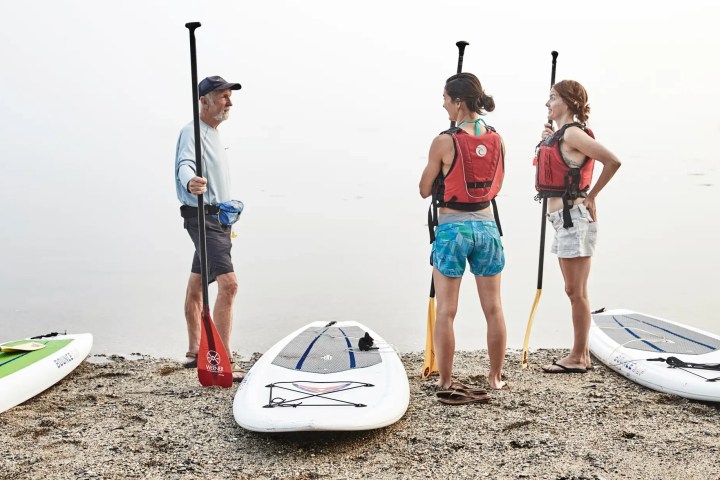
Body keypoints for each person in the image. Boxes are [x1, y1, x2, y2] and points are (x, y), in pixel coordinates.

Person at [419, 72, 507, 393]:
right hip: (487, 229)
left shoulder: (444, 140)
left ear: (458, 102)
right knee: (494, 307)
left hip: (452, 230)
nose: (442, 105)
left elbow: (424, 189)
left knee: (446, 310)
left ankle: (445, 380)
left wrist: (441, 175)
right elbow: (496, 184)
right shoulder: (498, 138)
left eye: (445, 99)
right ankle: (495, 378)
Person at [535, 79, 621, 373]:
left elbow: (612, 161)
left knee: (577, 291)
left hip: (575, 219)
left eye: (552, 97)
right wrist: (548, 140)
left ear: (568, 103)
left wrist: (592, 196)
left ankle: (579, 356)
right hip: (562, 221)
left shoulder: (573, 133)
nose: (547, 103)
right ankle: (579, 352)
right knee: (573, 290)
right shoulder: (561, 134)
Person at [175, 75, 243, 381]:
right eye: (223, 96)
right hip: (203, 217)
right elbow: (184, 164)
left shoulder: (213, 133)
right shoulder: (192, 130)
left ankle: (194, 351)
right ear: (204, 101)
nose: (229, 102)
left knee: (197, 284)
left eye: (229, 96)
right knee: (229, 285)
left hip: (218, 219)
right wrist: (191, 181)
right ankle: (223, 359)